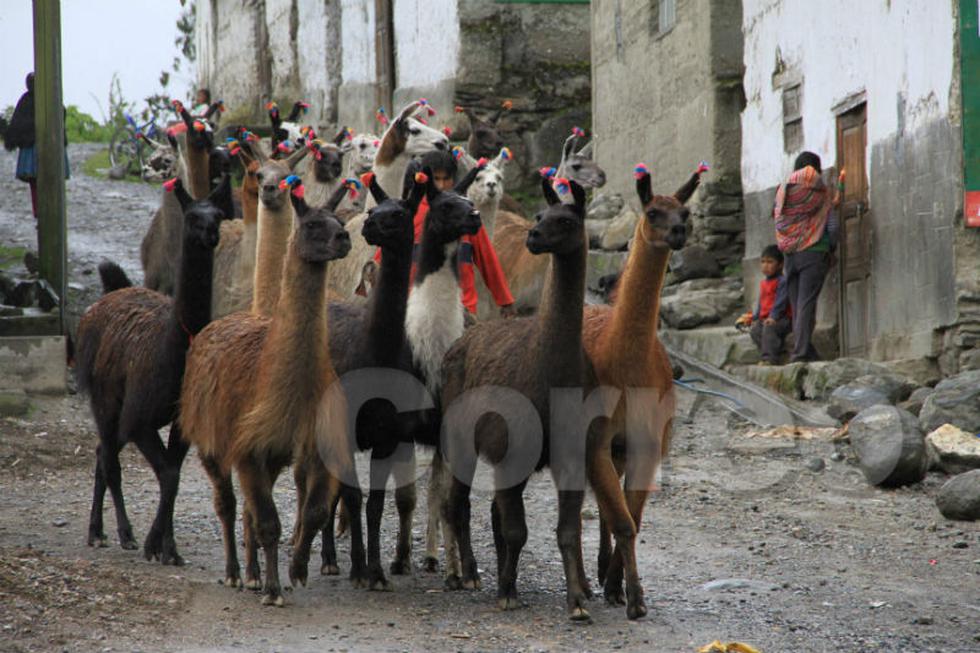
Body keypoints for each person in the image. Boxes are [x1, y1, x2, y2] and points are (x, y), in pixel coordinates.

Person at [375, 150, 516, 319]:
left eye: (446, 179)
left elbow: (487, 259)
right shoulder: (409, 215)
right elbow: (384, 256)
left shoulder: (467, 214)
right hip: (414, 308)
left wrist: (505, 300)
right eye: (436, 179)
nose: (441, 186)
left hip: (461, 309)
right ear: (425, 178)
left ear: (453, 179)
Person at [773, 151, 839, 362]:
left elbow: (779, 222)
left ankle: (806, 349)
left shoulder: (783, 193)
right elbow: (833, 226)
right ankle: (800, 353)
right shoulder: (821, 195)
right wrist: (832, 247)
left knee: (797, 303)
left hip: (789, 255)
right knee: (806, 304)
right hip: (814, 253)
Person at [736, 245, 792, 364]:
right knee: (755, 331)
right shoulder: (764, 283)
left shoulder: (782, 281)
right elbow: (762, 304)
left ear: (780, 265)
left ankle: (769, 359)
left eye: (770, 262)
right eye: (763, 262)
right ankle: (777, 351)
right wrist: (753, 317)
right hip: (767, 318)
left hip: (782, 318)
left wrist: (773, 317)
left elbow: (780, 302)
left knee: (769, 328)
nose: (765, 266)